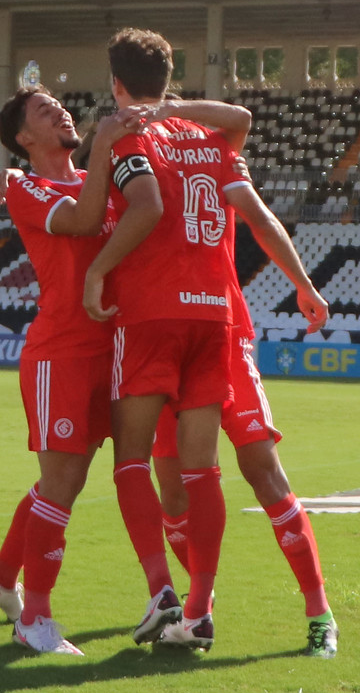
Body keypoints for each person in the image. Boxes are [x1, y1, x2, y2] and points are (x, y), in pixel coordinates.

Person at [0, 88, 193, 655]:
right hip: (63, 353)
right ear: (24, 139)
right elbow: (83, 220)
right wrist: (101, 148)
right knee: (62, 484)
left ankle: (2, 579)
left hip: (117, 348)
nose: (61, 112)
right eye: (45, 112)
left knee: (68, 479)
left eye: (61, 107)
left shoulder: (103, 181)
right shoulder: (26, 187)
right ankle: (35, 620)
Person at [146, 120, 341, 659]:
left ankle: (320, 614)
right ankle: (199, 608)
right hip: (163, 340)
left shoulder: (207, 150)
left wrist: (303, 283)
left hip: (223, 335)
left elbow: (257, 208)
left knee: (263, 471)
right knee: (174, 492)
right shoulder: (138, 154)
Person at [82, 29, 250, 653]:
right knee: (203, 467)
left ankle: (161, 591)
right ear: (168, 77)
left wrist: (97, 270)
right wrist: (176, 106)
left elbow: (146, 206)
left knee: (131, 456)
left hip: (153, 312)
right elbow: (241, 117)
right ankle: (200, 611)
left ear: (116, 82)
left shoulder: (128, 133)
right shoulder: (206, 134)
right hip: (214, 314)